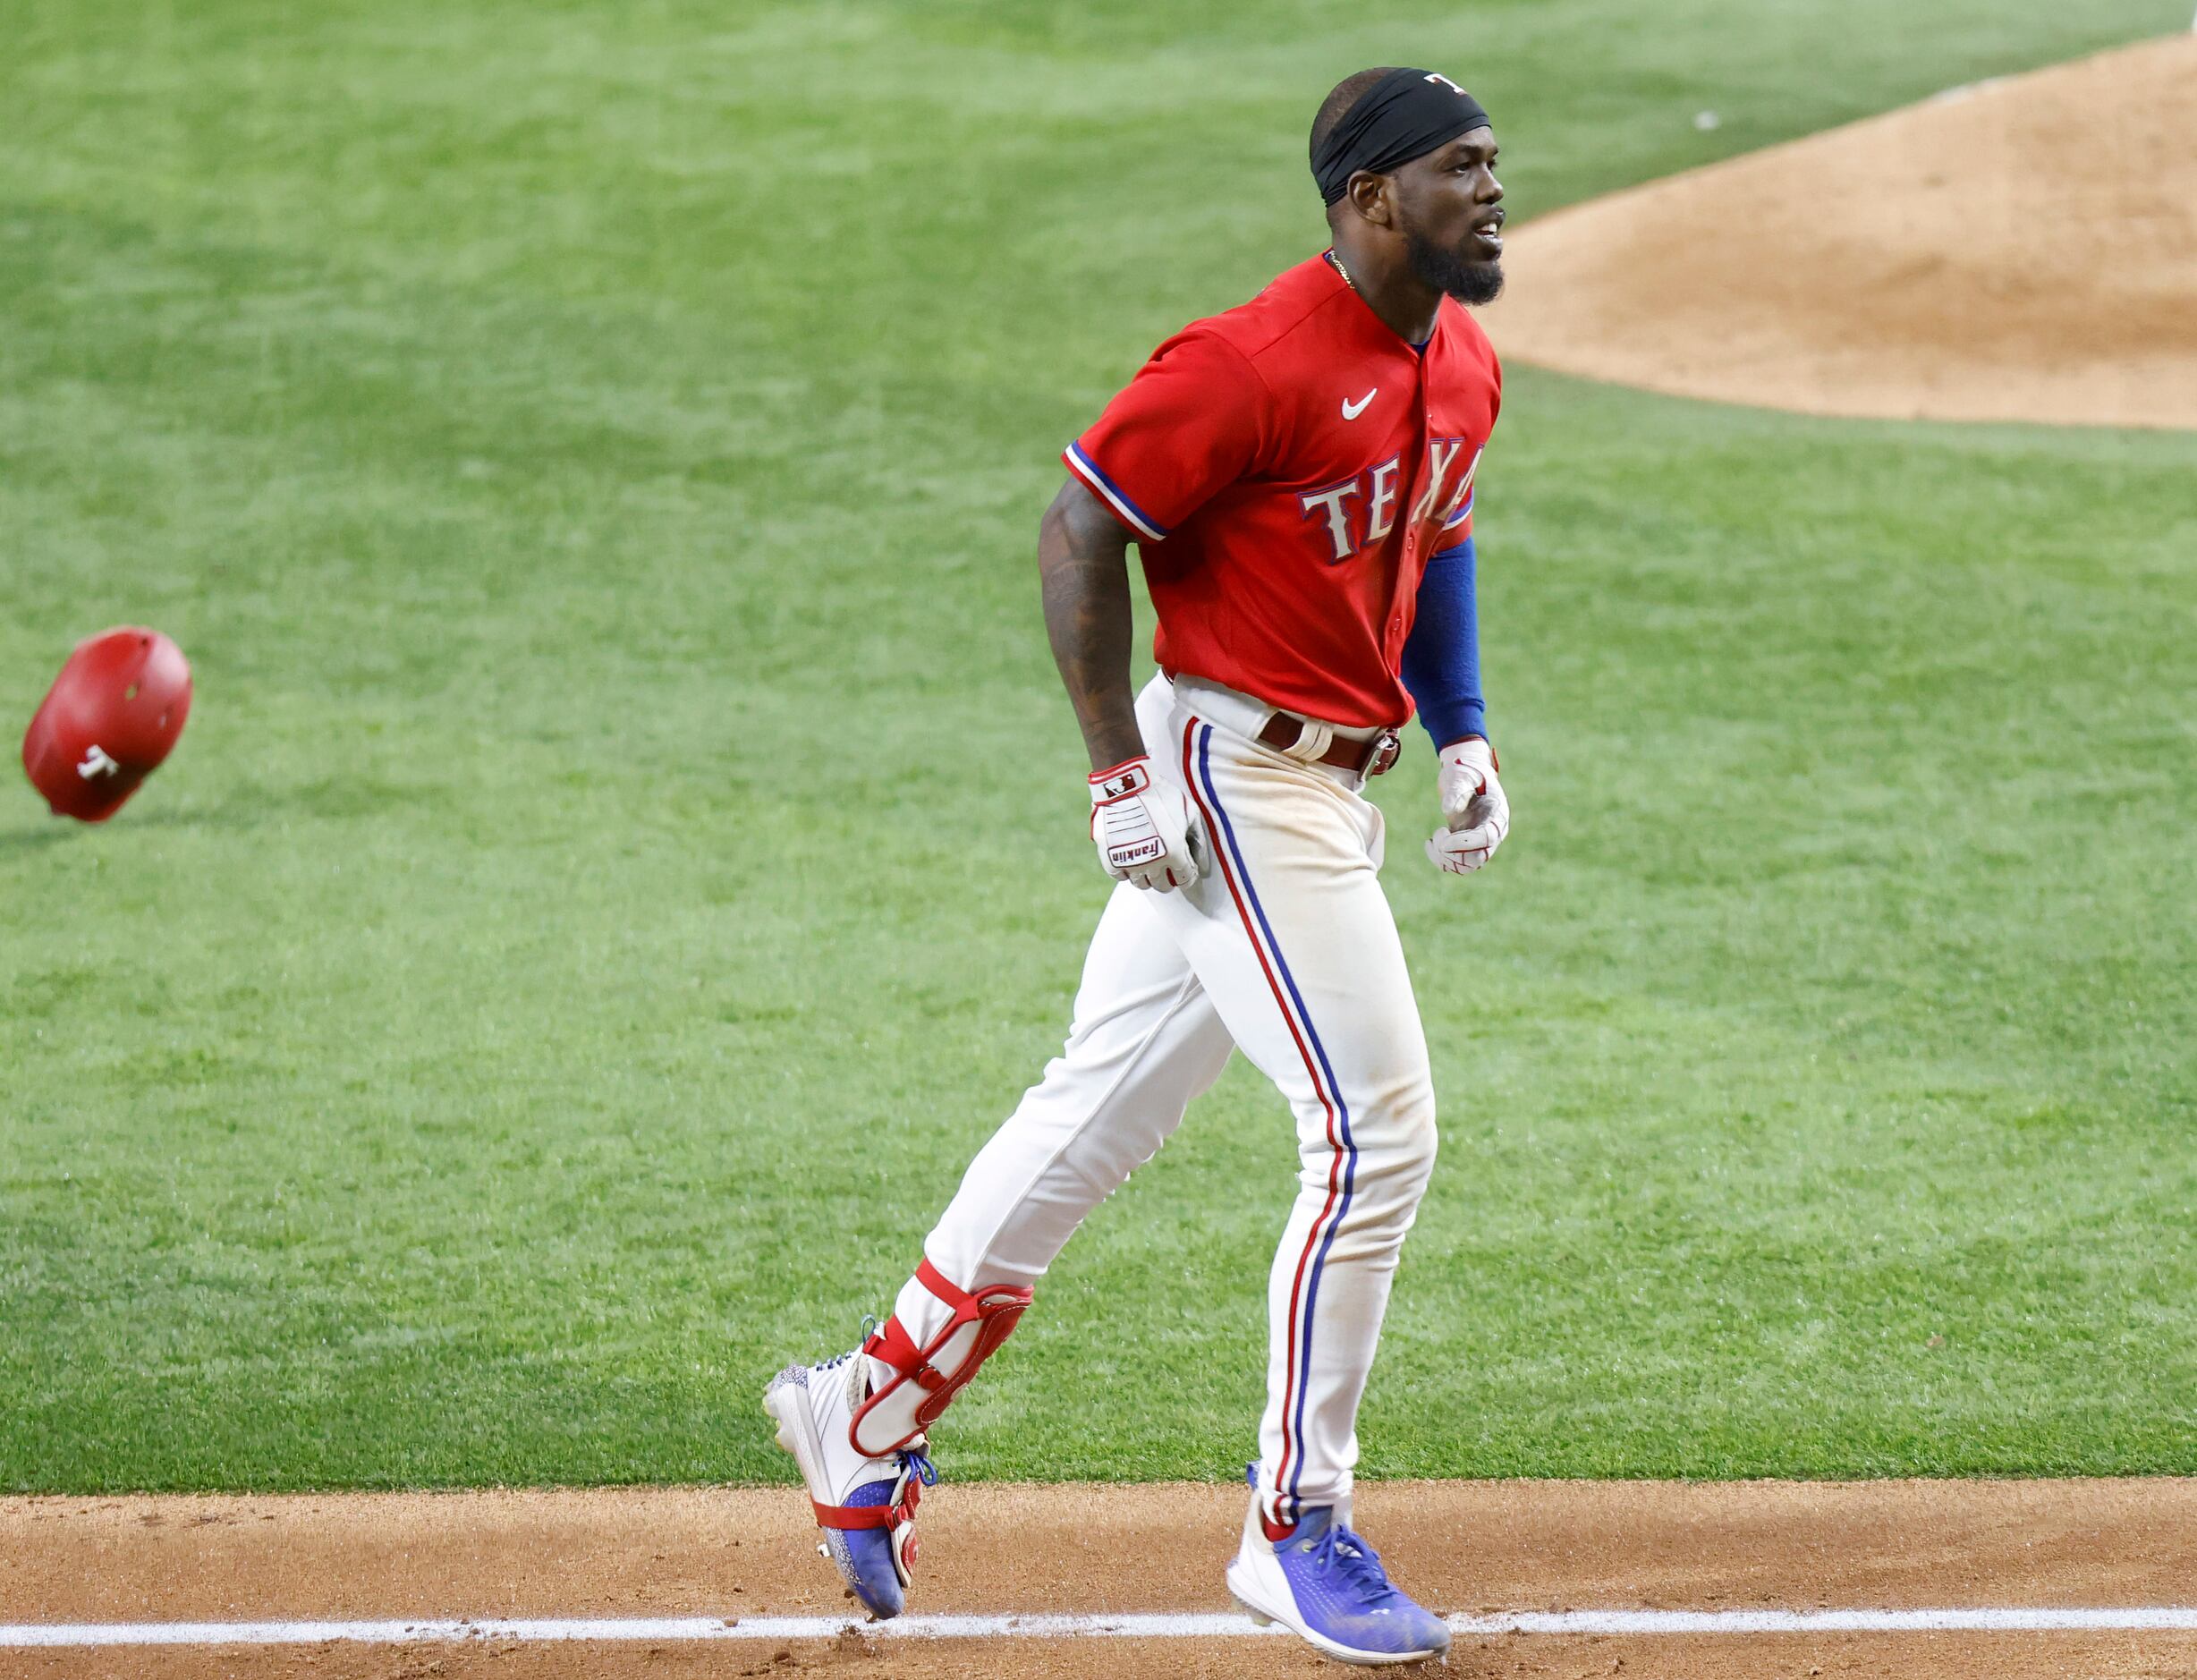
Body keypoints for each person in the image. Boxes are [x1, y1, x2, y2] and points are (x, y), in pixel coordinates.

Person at [766, 64, 1511, 1667]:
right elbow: (1076, 527)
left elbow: (1434, 534)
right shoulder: (1247, 362)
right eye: (1463, 168)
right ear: (1376, 199)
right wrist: (1114, 765)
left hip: (1331, 775)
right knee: (1375, 1141)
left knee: (1088, 1117)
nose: (1494, 191)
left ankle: (859, 1414)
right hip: (1231, 781)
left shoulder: (1460, 358)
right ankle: (1292, 1526)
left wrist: (1462, 730)